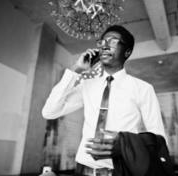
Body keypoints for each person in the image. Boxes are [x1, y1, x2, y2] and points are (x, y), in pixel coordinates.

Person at [42, 25, 167, 176]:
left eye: (113, 41)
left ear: (127, 52)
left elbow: (158, 139)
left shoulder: (143, 89)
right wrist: (76, 70)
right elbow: (49, 112)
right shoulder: (87, 86)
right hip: (83, 169)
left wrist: (123, 144)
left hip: (121, 170)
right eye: (102, 42)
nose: (105, 46)